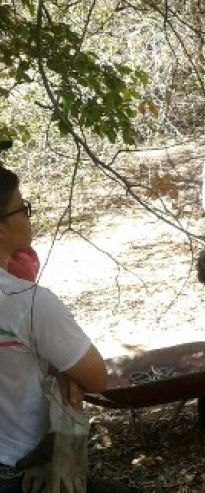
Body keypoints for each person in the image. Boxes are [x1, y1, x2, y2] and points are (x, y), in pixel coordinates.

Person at [0, 167, 108, 490]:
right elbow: (97, 376)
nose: (27, 217)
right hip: (21, 475)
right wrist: (63, 370)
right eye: (22, 208)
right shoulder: (28, 304)